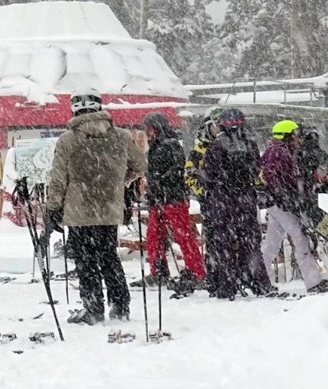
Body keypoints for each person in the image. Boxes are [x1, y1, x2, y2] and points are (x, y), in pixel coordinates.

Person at [45, 90, 146, 324]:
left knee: (86, 261)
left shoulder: (68, 140)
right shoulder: (120, 136)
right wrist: (120, 181)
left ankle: (93, 309)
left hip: (78, 211)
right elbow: (140, 164)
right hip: (110, 209)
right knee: (110, 257)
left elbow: (58, 178)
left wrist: (53, 207)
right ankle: (120, 306)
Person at [200, 108, 275, 299]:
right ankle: (258, 282)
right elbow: (255, 169)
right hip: (246, 201)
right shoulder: (250, 145)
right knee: (250, 243)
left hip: (223, 201)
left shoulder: (215, 147)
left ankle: (226, 286)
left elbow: (207, 175)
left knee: (223, 244)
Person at [259, 120, 328, 292]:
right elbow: (272, 178)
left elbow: (294, 178)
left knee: (271, 244)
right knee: (300, 237)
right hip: (281, 203)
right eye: (295, 134)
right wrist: (285, 195)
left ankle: (260, 279)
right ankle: (313, 281)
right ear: (287, 136)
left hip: (280, 203)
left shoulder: (287, 151)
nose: (299, 138)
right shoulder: (277, 153)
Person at [141, 112, 206, 293]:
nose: (146, 132)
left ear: (156, 128)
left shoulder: (170, 145)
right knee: (154, 235)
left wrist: (161, 185)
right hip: (160, 199)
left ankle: (197, 272)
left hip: (172, 199)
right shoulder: (158, 145)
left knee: (183, 236)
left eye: (148, 128)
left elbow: (176, 171)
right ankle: (159, 271)